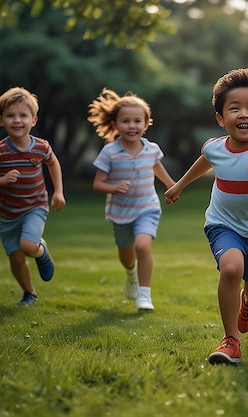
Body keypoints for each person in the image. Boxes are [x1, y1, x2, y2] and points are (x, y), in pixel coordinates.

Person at [165, 68, 248, 364]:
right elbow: (204, 161)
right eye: (234, 108)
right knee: (231, 268)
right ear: (221, 118)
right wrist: (178, 185)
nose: (243, 114)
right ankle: (231, 340)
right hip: (223, 225)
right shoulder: (215, 147)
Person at [0, 87, 66, 307]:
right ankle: (29, 294)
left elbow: (53, 163)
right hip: (8, 214)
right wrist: (1, 180)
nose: (17, 120)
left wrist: (58, 191)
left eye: (23, 115)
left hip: (36, 205)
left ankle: (41, 252)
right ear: (1, 120)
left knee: (27, 246)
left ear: (33, 120)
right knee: (16, 259)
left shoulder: (41, 146)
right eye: (10, 116)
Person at [88, 88, 175, 311]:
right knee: (127, 256)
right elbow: (97, 184)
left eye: (137, 121)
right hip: (120, 212)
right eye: (125, 121)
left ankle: (144, 294)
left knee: (143, 246)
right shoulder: (110, 152)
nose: (132, 126)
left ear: (146, 123)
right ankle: (130, 276)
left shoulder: (152, 149)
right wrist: (114, 187)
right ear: (115, 124)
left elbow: (156, 167)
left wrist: (171, 185)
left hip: (148, 207)